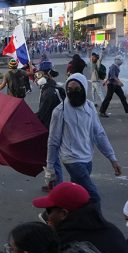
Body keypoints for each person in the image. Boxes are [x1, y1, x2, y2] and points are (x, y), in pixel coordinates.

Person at [46, 73, 122, 205]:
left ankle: (51, 215)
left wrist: (112, 159)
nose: (73, 92)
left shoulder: (90, 107)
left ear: (84, 89)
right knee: (93, 197)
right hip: (71, 159)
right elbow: (53, 141)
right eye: (69, 89)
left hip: (87, 157)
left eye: (77, 89)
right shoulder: (60, 111)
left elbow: (99, 134)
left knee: (76, 193)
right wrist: (50, 166)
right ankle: (97, 224)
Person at [32, 182, 128, 253]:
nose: (47, 216)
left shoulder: (62, 244)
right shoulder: (112, 230)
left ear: (63, 213)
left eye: (48, 211)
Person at [34, 69, 65, 192]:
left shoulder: (48, 93)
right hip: (57, 125)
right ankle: (53, 184)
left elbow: (43, 113)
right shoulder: (54, 88)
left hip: (51, 127)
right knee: (51, 157)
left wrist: (32, 119)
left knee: (52, 157)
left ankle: (58, 185)